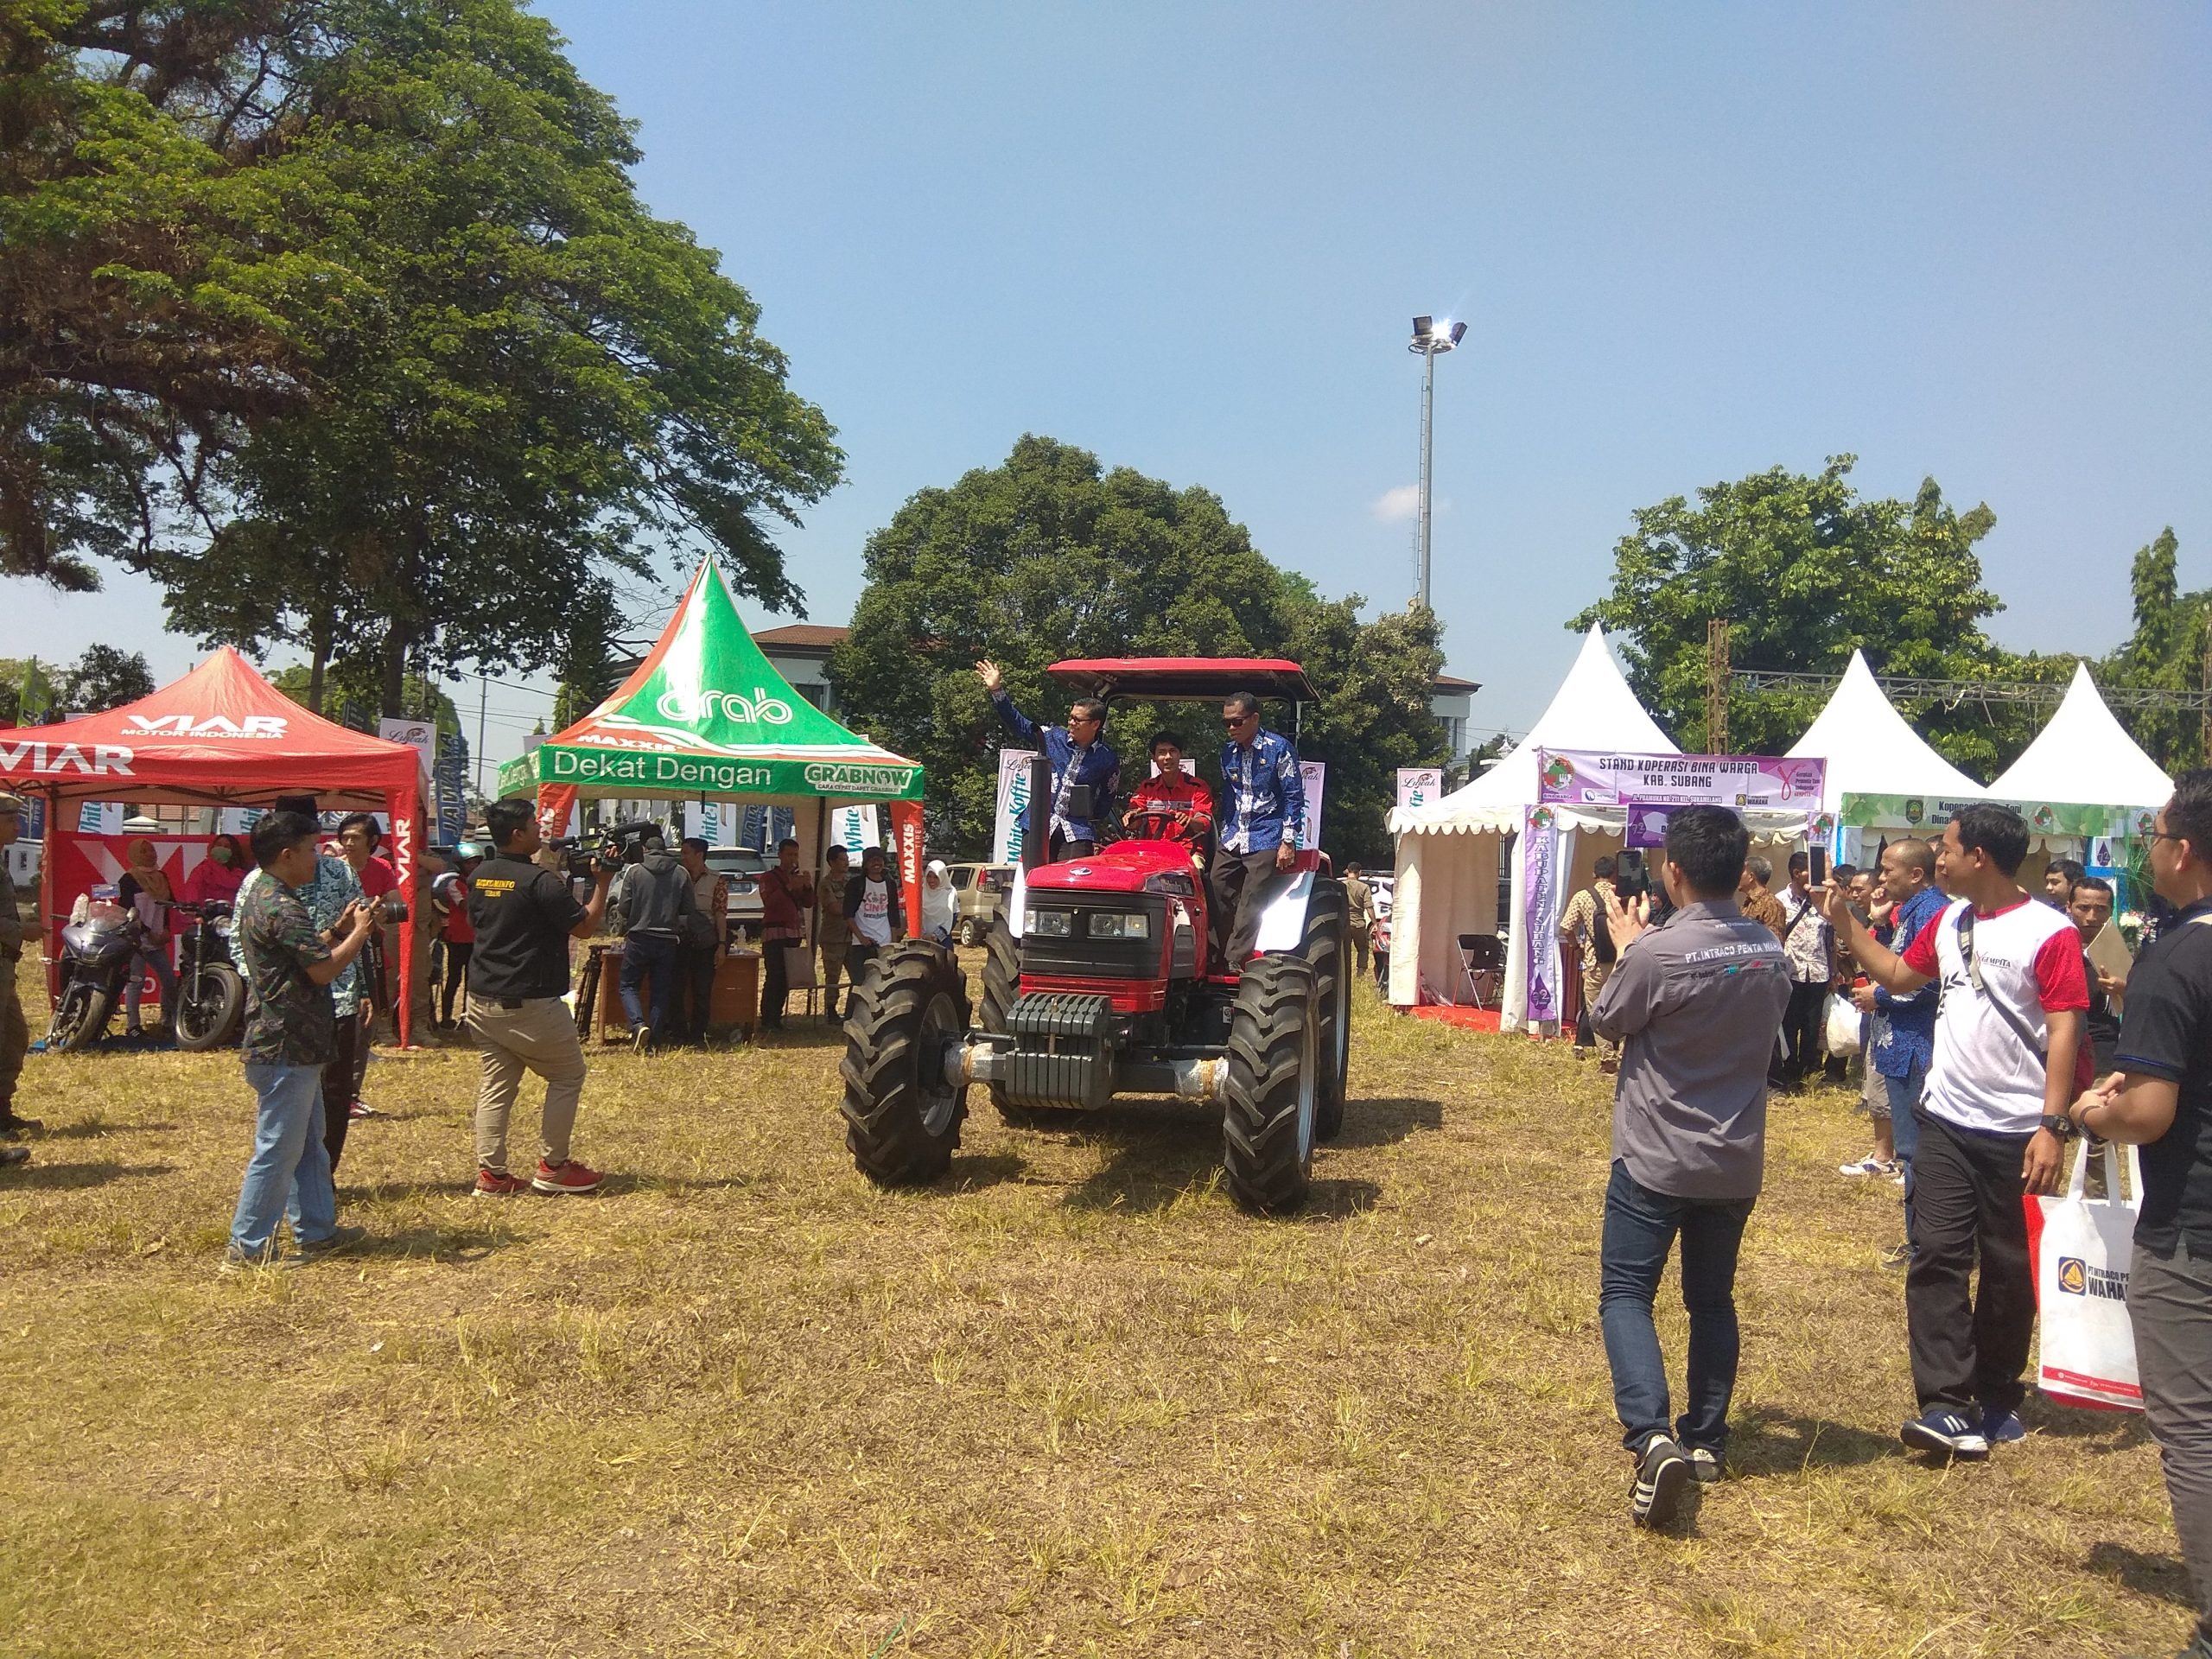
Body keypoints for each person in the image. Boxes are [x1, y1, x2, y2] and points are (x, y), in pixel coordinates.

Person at [1824, 803, 2088, 1459]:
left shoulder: (2048, 932)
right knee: (1936, 1255)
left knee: (2008, 1270)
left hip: (2018, 1131)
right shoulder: (1948, 921)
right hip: (1943, 1119)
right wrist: (1847, 926)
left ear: (1981, 858)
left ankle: (1997, 1393)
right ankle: (1945, 1405)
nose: (1939, 859)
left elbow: (2065, 1028)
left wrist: (2051, 1125)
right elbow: (1897, 975)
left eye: (1947, 849)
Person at [1589, 805, 1790, 1527]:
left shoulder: (1657, 954)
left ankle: (1650, 1438)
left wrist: (1624, 947)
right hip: (1734, 1159)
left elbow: (1606, 1020)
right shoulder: (1771, 952)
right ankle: (1705, 1438)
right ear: (1739, 871)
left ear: (1673, 871)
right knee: (1711, 1300)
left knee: (1626, 1294)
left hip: (1655, 1158)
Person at [2060, 771, 2212, 1659]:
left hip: (2191, 1227)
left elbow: (2147, 1113)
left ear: (2181, 850)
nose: (2149, 850)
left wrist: (2090, 1111)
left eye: (2153, 836)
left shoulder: (2175, 953)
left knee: (2191, 1430)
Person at [223, 810, 378, 1271]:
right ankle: (247, 1246)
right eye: (312, 850)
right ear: (287, 854)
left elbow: (305, 952)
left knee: (311, 1142)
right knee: (279, 1148)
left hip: (295, 1042)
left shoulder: (269, 895)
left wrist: (339, 930)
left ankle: (317, 1229)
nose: (320, 857)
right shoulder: (280, 903)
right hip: (285, 1044)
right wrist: (361, 937)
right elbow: (322, 969)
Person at [465, 797, 614, 1197]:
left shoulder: (479, 875)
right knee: (567, 1076)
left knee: (497, 1086)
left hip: (482, 998)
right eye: (534, 825)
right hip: (528, 1001)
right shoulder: (539, 881)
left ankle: (492, 1176)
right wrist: (603, 882)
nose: (540, 831)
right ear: (518, 833)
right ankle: (555, 1167)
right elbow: (584, 928)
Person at [976, 659, 1121, 860]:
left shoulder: (1107, 758)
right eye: (1070, 717)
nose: (1071, 722)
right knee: (1033, 880)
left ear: (1095, 724)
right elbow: (1020, 724)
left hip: (1077, 831)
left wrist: (1090, 817)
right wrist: (997, 690)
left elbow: (1107, 796)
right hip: (1038, 824)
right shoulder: (1053, 737)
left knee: (1072, 881)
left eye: (1077, 720)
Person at [1211, 690, 1306, 973]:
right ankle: (1214, 954)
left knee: (1253, 893)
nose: (1231, 728)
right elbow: (1229, 795)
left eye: (1237, 722)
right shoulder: (1227, 752)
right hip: (1233, 834)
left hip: (1266, 833)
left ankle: (1235, 957)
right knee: (1215, 885)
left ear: (1254, 718)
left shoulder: (1279, 748)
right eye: (1226, 723)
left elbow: (1293, 795)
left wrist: (1288, 840)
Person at [1839, 867, 1900, 1179]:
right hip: (1880, 1013)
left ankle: (1896, 1157)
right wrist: (1878, 922)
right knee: (1877, 1082)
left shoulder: (1920, 915)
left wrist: (1882, 996)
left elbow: (1911, 974)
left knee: (1896, 1088)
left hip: (1899, 1017)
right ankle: (1884, 1155)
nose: (1882, 882)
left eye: (1889, 872)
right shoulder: (1886, 918)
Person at [615, 830, 696, 1052]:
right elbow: (689, 909)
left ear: (644, 849)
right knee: (661, 990)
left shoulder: (635, 871)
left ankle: (638, 1024)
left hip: (639, 937)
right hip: (668, 939)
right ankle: (655, 1042)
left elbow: (623, 907)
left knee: (628, 985)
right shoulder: (681, 873)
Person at [1775, 851, 1835, 1089]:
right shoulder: (1779, 901)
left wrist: (1833, 972)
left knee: (1812, 1027)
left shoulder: (1822, 900)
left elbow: (1830, 938)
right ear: (1796, 873)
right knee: (1790, 1024)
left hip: (1818, 971)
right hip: (1792, 972)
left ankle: (1810, 1072)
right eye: (1811, 871)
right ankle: (1790, 1073)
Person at [0, 791, 37, 1147]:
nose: (17, 825)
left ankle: (2, 1110)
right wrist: (20, 930)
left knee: (13, 1038)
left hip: (6, 963)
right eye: (10, 819)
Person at [1560, 856, 1623, 1068]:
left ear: (1594, 874)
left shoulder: (1582, 897)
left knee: (1596, 1009)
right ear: (1614, 874)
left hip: (1595, 963)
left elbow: (1566, 929)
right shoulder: (1621, 895)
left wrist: (1577, 948)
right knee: (1623, 1007)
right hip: (1623, 961)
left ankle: (1608, 1059)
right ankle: (1624, 1051)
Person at [117, 837, 180, 1039]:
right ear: (135, 855)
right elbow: (127, 911)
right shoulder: (128, 879)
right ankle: (133, 1025)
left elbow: (169, 905)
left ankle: (167, 1019)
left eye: (151, 850)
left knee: (169, 980)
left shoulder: (162, 877)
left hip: (157, 940)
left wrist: (166, 930)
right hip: (136, 940)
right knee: (136, 981)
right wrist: (146, 931)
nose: (150, 854)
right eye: (144, 851)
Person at [1122, 731, 1216, 857]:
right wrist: (1131, 816)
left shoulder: (1198, 787)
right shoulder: (1146, 788)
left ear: (1180, 754)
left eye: (1172, 751)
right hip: (1151, 853)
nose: (1168, 757)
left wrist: (1190, 821)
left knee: (1193, 871)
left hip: (1188, 851)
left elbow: (1204, 823)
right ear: (1154, 757)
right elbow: (1133, 821)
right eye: (1161, 752)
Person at [756, 837, 815, 1031]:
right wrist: (789, 886)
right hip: (775, 933)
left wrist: (806, 886)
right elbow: (770, 902)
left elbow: (809, 903)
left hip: (793, 933)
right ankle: (767, 1018)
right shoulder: (769, 877)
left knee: (788, 976)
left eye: (796, 855)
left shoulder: (798, 876)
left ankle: (777, 1017)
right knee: (775, 975)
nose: (793, 859)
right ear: (780, 855)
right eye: (789, 854)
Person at [2069, 874, 2123, 1076]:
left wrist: (2124, 990)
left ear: (2110, 912)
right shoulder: (2054, 949)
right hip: (2058, 1052)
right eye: (2083, 908)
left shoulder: (2122, 953)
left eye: (2101, 909)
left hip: (2103, 1058)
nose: (2092, 917)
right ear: (2069, 907)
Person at [677, 837, 729, 1046]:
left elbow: (720, 914)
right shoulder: (677, 877)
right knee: (676, 988)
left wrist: (722, 946)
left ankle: (698, 1034)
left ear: (699, 855)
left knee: (702, 988)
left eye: (686, 853)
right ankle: (678, 1032)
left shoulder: (718, 880)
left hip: (706, 942)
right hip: (679, 940)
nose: (683, 857)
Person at [844, 844, 903, 1014]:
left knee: (883, 981)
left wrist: (893, 942)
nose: (876, 863)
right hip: (861, 943)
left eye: (879, 860)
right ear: (865, 864)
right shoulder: (856, 884)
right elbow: (848, 915)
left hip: (884, 942)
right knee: (859, 981)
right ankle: (852, 1016)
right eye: (872, 860)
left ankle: (878, 1013)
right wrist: (861, 937)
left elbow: (893, 915)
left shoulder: (890, 884)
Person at [434, 842, 482, 1032]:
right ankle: (446, 1016)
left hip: (475, 938)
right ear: (461, 864)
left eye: (477, 863)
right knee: (454, 978)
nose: (474, 867)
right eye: (470, 863)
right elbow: (465, 906)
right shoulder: (456, 884)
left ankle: (468, 1016)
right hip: (457, 939)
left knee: (472, 981)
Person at [817, 845, 852, 1025]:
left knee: (857, 974)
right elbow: (834, 908)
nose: (846, 862)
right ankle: (831, 1010)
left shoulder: (851, 883)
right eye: (841, 859)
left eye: (847, 859)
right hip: (833, 937)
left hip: (852, 936)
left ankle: (852, 1010)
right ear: (831, 862)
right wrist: (852, 908)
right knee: (833, 976)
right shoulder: (826, 884)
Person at [182, 835, 248, 908]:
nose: (221, 848)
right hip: (205, 913)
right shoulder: (203, 869)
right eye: (218, 845)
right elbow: (193, 886)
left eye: (226, 846)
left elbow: (234, 884)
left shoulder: (240, 873)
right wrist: (193, 905)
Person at [1738, 855, 1787, 938]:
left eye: (1742, 872)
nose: (1738, 876)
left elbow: (1775, 940)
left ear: (1751, 877)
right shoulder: (1748, 903)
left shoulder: (1772, 904)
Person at [1342, 862, 1375, 981]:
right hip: (1358, 924)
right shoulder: (1364, 887)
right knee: (1363, 948)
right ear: (1359, 872)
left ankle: (1344, 974)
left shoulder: (1341, 885)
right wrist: (1374, 923)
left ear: (1347, 871)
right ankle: (1360, 974)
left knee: (1343, 951)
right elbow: (1369, 907)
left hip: (1344, 924)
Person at [920, 859, 957, 947]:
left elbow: (953, 918)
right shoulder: (921, 891)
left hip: (943, 939)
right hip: (922, 939)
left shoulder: (950, 892)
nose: (931, 880)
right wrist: (924, 935)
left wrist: (936, 936)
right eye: (929, 876)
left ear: (942, 876)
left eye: (936, 877)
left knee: (946, 960)